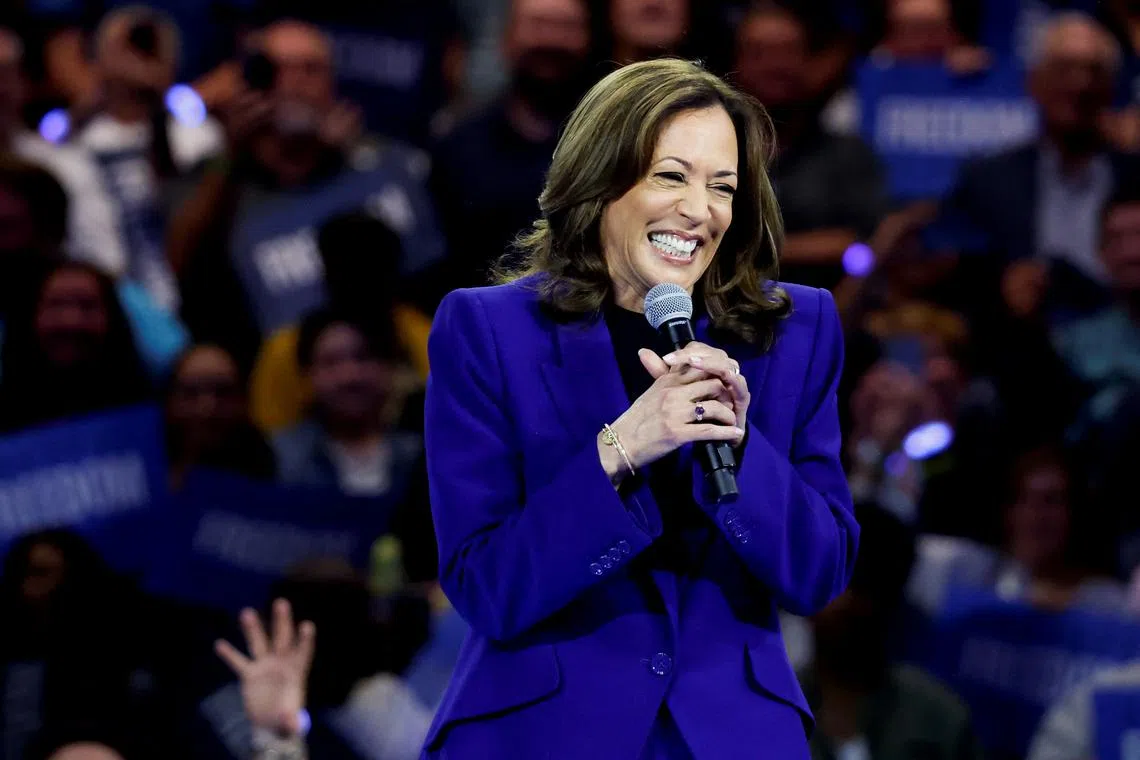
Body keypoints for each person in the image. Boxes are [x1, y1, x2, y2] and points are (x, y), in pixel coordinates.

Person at [423, 58, 858, 759]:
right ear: (600, 180)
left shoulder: (795, 330)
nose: (699, 210)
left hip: (731, 737)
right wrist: (621, 447)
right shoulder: (488, 330)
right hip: (539, 733)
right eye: (671, 176)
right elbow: (488, 586)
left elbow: (819, 574)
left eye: (724, 187)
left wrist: (742, 448)